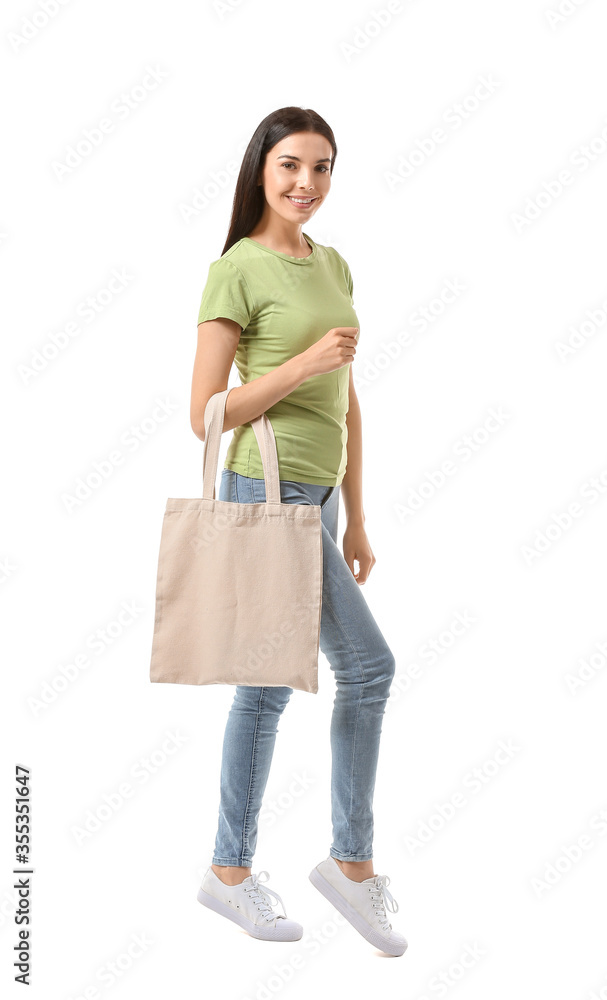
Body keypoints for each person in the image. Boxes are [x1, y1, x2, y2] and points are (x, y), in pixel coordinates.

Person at [190, 106, 407, 957]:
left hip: (316, 495)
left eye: (320, 168)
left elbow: (346, 400)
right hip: (263, 485)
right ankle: (348, 868)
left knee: (270, 684)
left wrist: (354, 512)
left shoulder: (332, 262)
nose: (305, 184)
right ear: (259, 170)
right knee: (368, 666)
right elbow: (204, 412)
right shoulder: (235, 270)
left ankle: (229, 874)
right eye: (289, 166)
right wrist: (302, 364)